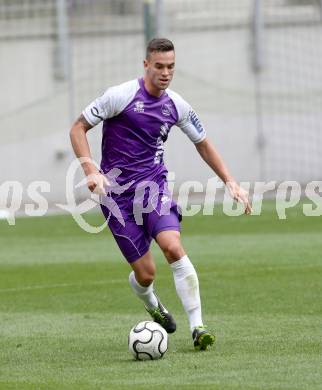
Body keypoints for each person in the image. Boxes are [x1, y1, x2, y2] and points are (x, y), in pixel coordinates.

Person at [70, 38, 251, 351]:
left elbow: (204, 144)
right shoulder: (120, 96)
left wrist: (230, 181)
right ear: (146, 65)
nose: (165, 73)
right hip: (117, 198)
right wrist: (91, 171)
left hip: (154, 188)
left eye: (171, 67)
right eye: (159, 66)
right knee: (146, 273)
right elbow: (78, 128)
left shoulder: (176, 105)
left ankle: (198, 327)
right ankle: (151, 301)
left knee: (173, 248)